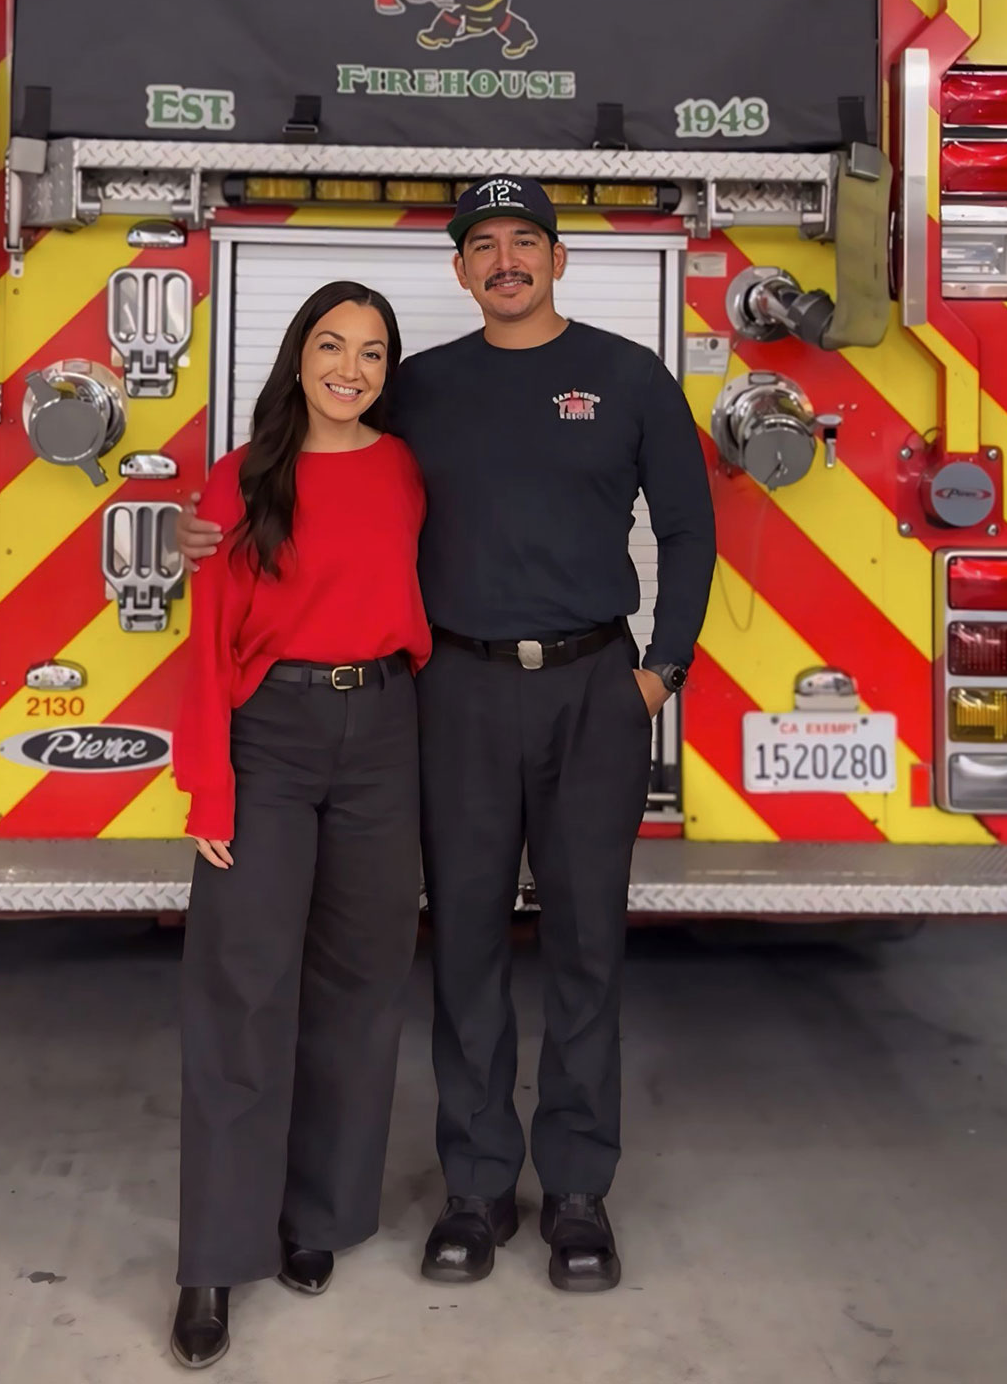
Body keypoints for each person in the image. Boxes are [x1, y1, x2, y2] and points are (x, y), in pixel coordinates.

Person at [178, 177, 716, 1296]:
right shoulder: (417, 388)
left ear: (559, 260)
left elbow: (687, 527)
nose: (507, 260)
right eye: (485, 246)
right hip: (455, 696)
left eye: (528, 241)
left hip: (594, 690)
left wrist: (662, 671)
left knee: (584, 947)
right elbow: (317, 478)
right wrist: (214, 526)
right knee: (464, 942)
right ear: (460, 273)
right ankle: (474, 1188)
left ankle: (575, 1194)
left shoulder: (629, 378)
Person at [170, 280, 430, 1370]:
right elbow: (209, 639)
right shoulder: (238, 482)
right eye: (333, 345)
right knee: (242, 990)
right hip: (269, 740)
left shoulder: (407, 470)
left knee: (361, 989)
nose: (351, 369)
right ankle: (212, 1265)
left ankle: (314, 1220)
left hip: (383, 733)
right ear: (298, 356)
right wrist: (209, 785)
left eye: (372, 353)